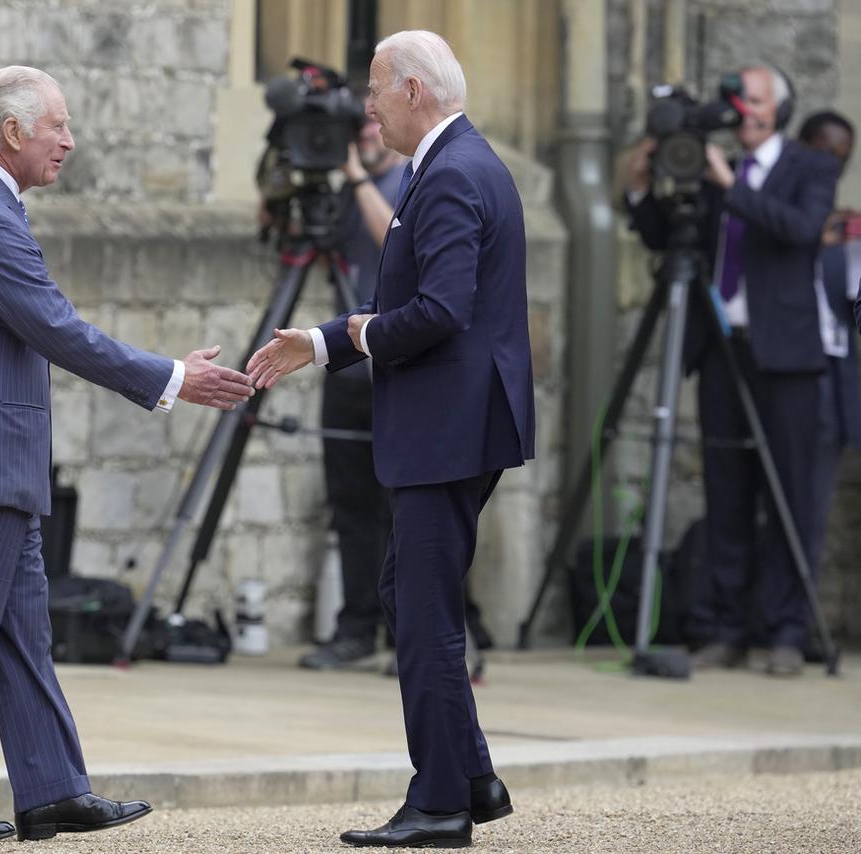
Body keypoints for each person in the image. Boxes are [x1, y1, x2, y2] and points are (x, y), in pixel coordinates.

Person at [0, 66, 254, 844]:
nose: (70, 141)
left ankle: (50, 789)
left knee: (21, 635)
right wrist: (174, 377)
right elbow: (58, 329)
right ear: (13, 133)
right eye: (59, 127)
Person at [248, 30, 534, 849]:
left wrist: (346, 336)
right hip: (457, 417)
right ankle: (469, 773)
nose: (365, 108)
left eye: (375, 90)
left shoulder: (449, 175)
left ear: (414, 91)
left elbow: (441, 311)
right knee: (408, 592)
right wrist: (328, 340)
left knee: (423, 609)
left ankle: (440, 800)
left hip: (448, 421)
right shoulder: (458, 163)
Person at [625, 65, 839, 677]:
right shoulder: (712, 165)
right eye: (737, 99)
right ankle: (723, 625)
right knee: (728, 493)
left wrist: (730, 183)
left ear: (779, 108)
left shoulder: (810, 167)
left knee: (789, 494)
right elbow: (668, 237)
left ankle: (785, 631)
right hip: (722, 348)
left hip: (789, 355)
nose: (742, 108)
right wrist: (642, 188)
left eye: (754, 99)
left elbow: (799, 231)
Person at [298, 119, 405, 672]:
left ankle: (409, 634)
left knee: (401, 506)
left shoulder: (412, 177)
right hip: (347, 360)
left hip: (396, 362)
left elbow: (396, 242)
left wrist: (357, 178)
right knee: (351, 504)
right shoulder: (346, 190)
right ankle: (356, 625)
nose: (361, 136)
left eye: (369, 124)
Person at [798, 111, 861, 621]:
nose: (832, 168)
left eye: (843, 160)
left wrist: (850, 252)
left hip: (830, 378)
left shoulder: (847, 237)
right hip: (779, 367)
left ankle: (796, 627)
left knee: (812, 511)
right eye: (824, 154)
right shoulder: (788, 217)